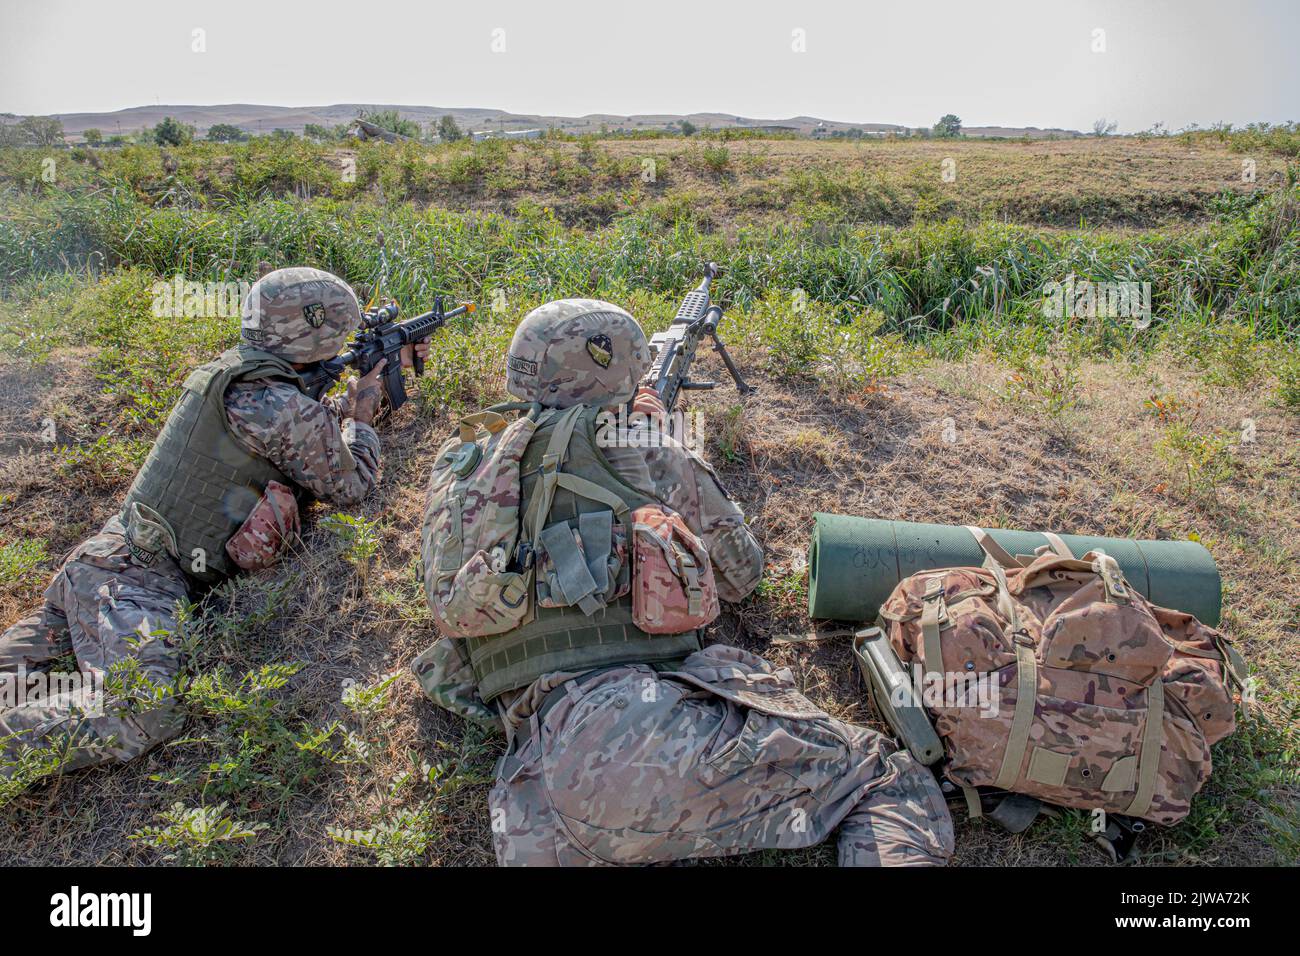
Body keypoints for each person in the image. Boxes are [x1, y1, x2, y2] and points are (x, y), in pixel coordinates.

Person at [415, 298, 954, 866]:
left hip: (534, 783)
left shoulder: (464, 461)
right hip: (628, 738)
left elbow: (446, 598)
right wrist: (661, 447)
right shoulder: (634, 441)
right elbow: (742, 573)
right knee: (880, 774)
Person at [0, 267, 425, 781]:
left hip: (103, 560)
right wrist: (360, 414)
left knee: (13, 678)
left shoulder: (233, 375)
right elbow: (351, 485)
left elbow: (292, 434)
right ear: (321, 331)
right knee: (143, 712)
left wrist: (362, 394)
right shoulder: (282, 406)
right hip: (138, 586)